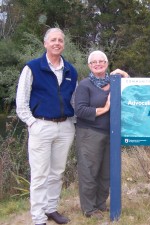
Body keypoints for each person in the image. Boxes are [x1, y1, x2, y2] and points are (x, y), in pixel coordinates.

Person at [16, 28, 78, 225]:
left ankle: (51, 209)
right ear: (45, 44)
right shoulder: (32, 67)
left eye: (60, 40)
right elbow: (21, 102)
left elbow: (75, 101)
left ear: (63, 44)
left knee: (57, 172)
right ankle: (38, 216)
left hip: (65, 127)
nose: (57, 43)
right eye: (53, 40)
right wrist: (32, 123)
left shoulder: (71, 70)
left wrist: (74, 122)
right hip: (41, 126)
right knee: (40, 173)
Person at [74, 50, 129, 219]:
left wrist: (124, 74)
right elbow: (80, 110)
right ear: (89, 66)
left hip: (111, 134)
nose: (98, 64)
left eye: (101, 61)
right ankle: (89, 209)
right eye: (94, 62)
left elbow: (131, 88)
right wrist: (104, 109)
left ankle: (100, 204)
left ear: (107, 63)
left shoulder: (115, 82)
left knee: (106, 172)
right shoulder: (85, 85)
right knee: (89, 172)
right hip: (89, 133)